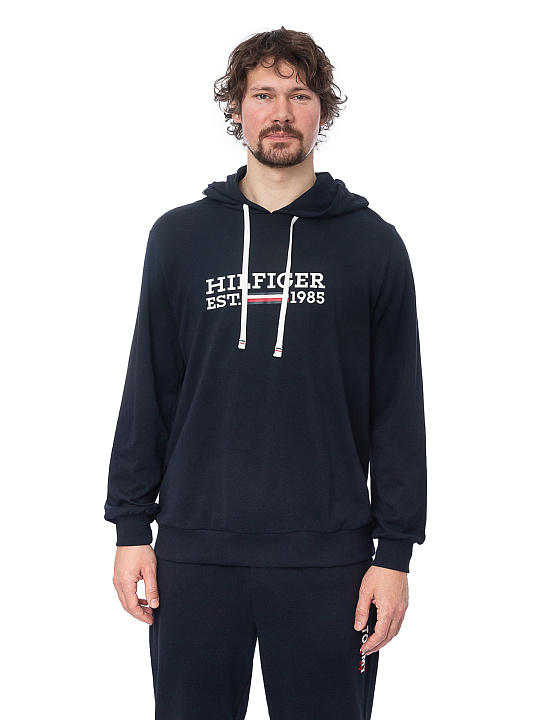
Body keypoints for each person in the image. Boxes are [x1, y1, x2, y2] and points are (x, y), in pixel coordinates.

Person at [104, 27, 427, 720]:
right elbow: (149, 389)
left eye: (300, 95)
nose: (281, 112)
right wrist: (131, 528)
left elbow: (399, 411)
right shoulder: (179, 239)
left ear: (322, 111)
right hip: (193, 554)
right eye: (263, 95)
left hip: (330, 562)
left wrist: (395, 553)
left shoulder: (373, 245)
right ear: (237, 108)